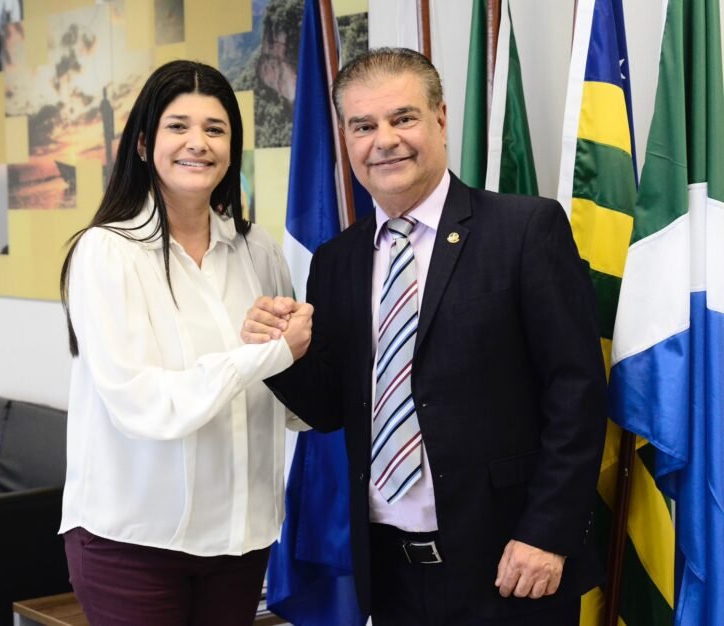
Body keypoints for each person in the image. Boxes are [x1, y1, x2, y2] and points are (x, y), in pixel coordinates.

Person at [242, 48, 607, 626]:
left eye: (403, 118)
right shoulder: (337, 261)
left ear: (440, 119)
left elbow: (577, 393)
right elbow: (331, 408)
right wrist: (280, 353)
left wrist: (548, 533)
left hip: (511, 564)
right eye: (363, 126)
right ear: (346, 139)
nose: (384, 140)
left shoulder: (524, 229)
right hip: (391, 574)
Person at [58, 60, 311, 626]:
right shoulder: (108, 252)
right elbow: (142, 404)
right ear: (144, 144)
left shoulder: (258, 250)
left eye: (215, 129)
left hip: (239, 542)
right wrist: (266, 354)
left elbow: (289, 401)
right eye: (178, 126)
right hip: (134, 546)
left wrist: (306, 356)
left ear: (231, 148)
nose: (198, 142)